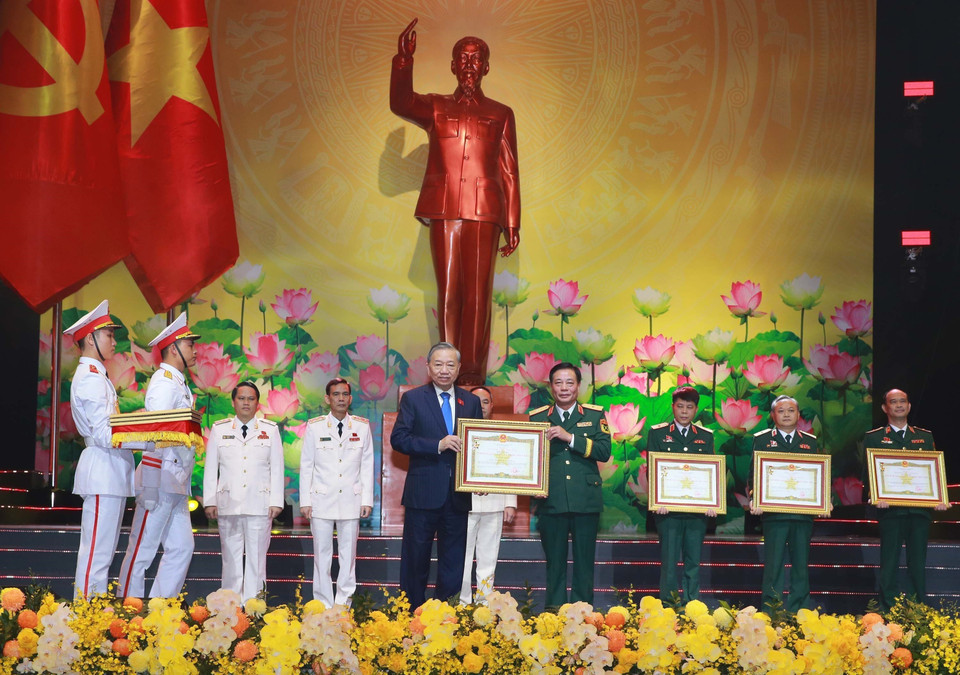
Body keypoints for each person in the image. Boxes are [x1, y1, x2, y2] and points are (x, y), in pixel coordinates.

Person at [390, 18, 520, 385]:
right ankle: (446, 370)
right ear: (452, 65)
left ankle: (473, 372)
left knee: (478, 295)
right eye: (462, 58)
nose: (469, 65)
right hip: (444, 208)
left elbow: (509, 170)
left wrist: (512, 222)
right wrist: (403, 62)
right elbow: (401, 102)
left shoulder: (500, 113)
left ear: (486, 67)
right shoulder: (435, 106)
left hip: (484, 212)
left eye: (476, 59)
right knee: (448, 291)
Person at [390, 342, 483, 608]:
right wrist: (437, 445)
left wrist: (480, 477)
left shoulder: (471, 401)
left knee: (453, 561)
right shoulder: (413, 398)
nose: (444, 370)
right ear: (428, 367)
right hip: (423, 494)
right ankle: (411, 613)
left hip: (458, 496)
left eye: (450, 364)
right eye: (438, 364)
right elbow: (399, 439)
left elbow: (478, 445)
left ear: (459, 368)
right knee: (415, 559)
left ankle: (446, 615)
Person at [118, 312, 199, 599]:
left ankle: (160, 608)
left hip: (174, 480)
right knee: (142, 548)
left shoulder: (178, 382)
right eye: (189, 345)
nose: (195, 350)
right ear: (173, 348)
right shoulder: (164, 383)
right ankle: (128, 607)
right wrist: (151, 485)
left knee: (182, 547)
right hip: (159, 477)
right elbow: (154, 434)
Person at [529, 362, 611, 610]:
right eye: (558, 383)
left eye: (569, 382)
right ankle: (554, 613)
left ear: (578, 386)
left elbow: (604, 451)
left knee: (584, 562)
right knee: (554, 563)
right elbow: (530, 458)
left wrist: (571, 438)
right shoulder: (537, 417)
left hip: (585, 500)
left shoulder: (595, 415)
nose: (564, 388)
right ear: (551, 387)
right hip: (551, 500)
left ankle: (582, 613)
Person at [64, 300, 131, 598]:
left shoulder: (98, 376)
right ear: (90, 339)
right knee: (96, 553)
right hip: (103, 468)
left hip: (110, 469)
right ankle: (86, 612)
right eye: (109, 335)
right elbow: (105, 434)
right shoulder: (90, 379)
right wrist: (148, 435)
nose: (114, 342)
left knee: (103, 553)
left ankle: (95, 612)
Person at [863, 388, 949, 612]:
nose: (899, 405)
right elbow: (868, 473)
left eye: (903, 401)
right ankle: (888, 608)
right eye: (894, 402)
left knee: (917, 562)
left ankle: (917, 609)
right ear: (885, 408)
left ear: (909, 406)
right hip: (890, 510)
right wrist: (874, 496)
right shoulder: (874, 437)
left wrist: (939, 496)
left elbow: (933, 471)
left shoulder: (924, 436)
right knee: (889, 561)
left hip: (919, 511)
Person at [202, 381, 283, 601]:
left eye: (251, 399)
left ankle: (255, 609)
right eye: (241, 398)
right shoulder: (220, 429)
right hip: (229, 503)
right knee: (230, 560)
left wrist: (276, 501)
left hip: (260, 504)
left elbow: (277, 468)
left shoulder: (270, 430)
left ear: (257, 403)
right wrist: (210, 500)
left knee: (257, 561)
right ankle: (230, 608)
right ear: (233, 402)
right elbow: (211, 467)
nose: (246, 403)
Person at [300, 378, 374, 608]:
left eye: (345, 394)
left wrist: (366, 499)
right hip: (321, 500)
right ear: (327, 398)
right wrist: (305, 501)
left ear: (350, 399)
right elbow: (306, 465)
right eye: (336, 394)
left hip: (351, 500)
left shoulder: (361, 427)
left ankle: (343, 605)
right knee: (321, 556)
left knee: (348, 557)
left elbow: (367, 465)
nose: (341, 398)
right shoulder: (315, 427)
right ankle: (322, 604)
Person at [750, 395, 821, 613]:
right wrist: (754, 498)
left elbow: (818, 473)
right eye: (781, 411)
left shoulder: (810, 442)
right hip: (774, 514)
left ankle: (800, 612)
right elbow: (753, 473)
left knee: (801, 566)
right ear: (773, 415)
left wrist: (824, 499)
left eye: (791, 410)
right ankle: (771, 611)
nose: (787, 415)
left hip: (802, 514)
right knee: (773, 566)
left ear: (798, 415)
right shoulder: (762, 440)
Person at [647, 386, 715, 602]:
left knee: (693, 562)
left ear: (696, 409)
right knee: (669, 562)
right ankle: (668, 607)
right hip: (667, 511)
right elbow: (652, 470)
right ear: (673, 407)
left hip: (696, 512)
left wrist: (711, 502)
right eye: (680, 406)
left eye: (689, 407)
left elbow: (710, 472)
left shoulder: (705, 436)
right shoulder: (658, 434)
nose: (684, 411)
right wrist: (657, 499)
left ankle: (692, 606)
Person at [460, 386, 517, 604]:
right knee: (462, 558)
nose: (481, 406)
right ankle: (463, 603)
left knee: (488, 557)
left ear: (492, 406)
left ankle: (484, 604)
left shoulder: (502, 433)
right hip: (464, 504)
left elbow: (513, 469)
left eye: (485, 401)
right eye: (476, 401)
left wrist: (510, 502)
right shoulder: (458, 431)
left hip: (495, 503)